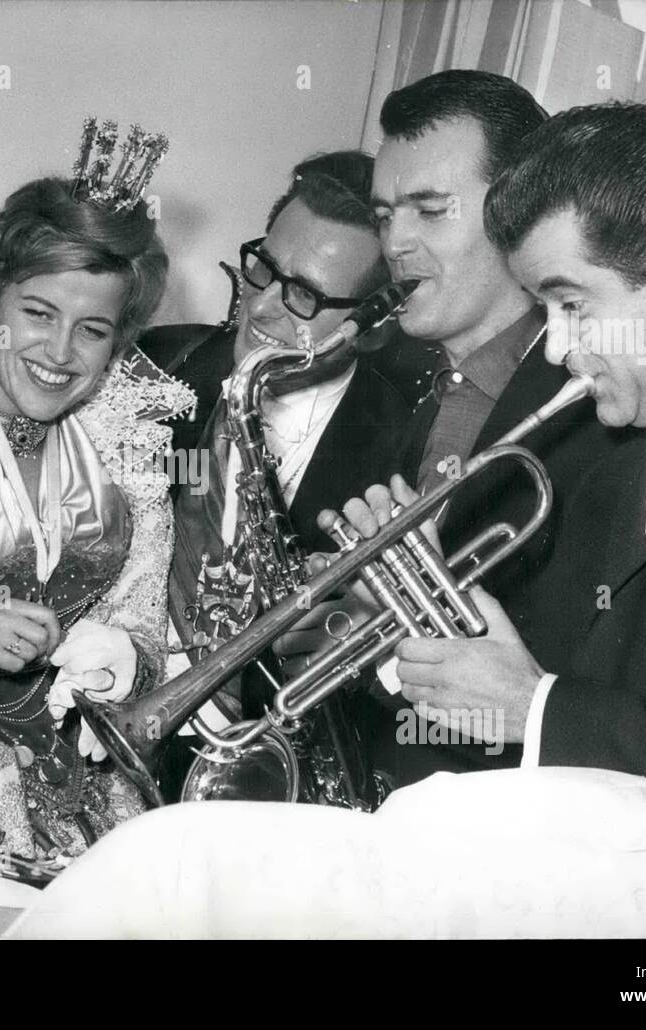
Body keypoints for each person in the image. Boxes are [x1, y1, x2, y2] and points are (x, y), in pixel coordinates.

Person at [347, 101, 646, 871]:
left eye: (571, 305)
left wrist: (536, 708)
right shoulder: (592, 449)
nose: (556, 349)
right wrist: (424, 633)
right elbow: (520, 699)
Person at [281, 70, 629, 787]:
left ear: (521, 212)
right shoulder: (429, 395)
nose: (395, 244)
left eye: (430, 210)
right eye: (384, 215)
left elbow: (550, 687)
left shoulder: (593, 415)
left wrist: (400, 623)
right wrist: (344, 611)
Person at [0, 127, 194, 855]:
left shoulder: (128, 445)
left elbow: (145, 631)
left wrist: (127, 659)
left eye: (91, 330)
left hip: (84, 778)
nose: (59, 354)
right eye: (38, 314)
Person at [139, 151, 430, 795]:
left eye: (304, 295)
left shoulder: (409, 449)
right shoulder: (154, 370)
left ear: (374, 329)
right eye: (264, 269)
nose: (262, 308)